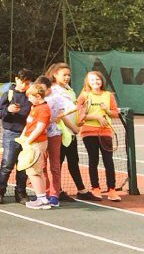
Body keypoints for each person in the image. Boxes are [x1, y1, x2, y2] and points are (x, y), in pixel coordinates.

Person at [44, 63, 99, 201]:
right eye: (64, 75)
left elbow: (73, 111)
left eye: (69, 75)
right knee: (58, 162)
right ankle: (57, 191)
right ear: (55, 75)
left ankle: (81, 190)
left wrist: (78, 122)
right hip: (60, 132)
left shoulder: (70, 90)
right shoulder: (53, 91)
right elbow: (59, 114)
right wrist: (73, 127)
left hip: (71, 133)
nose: (67, 77)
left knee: (73, 161)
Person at [76, 71, 121, 202]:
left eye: (97, 79)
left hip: (105, 132)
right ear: (87, 82)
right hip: (89, 132)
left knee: (108, 160)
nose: (95, 82)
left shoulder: (108, 95)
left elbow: (115, 113)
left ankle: (112, 190)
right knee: (93, 159)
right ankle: (95, 188)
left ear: (102, 81)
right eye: (92, 80)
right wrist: (96, 117)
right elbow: (79, 114)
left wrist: (106, 110)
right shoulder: (84, 95)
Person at [36, 77, 80, 206]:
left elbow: (66, 112)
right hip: (41, 135)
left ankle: (55, 195)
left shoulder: (57, 98)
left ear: (49, 88)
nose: (40, 92)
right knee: (41, 165)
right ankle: (45, 193)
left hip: (54, 134)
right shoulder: (37, 99)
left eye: (43, 89)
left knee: (55, 166)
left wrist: (57, 117)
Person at [0, 69, 33, 204]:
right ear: (16, 79)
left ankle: (20, 192)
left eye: (27, 83)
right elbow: (0, 113)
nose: (24, 86)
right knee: (7, 164)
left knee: (23, 165)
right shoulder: (8, 95)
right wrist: (8, 110)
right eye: (22, 82)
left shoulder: (31, 96)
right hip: (11, 134)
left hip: (27, 134)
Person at [19, 84, 52, 209]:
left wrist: (29, 141)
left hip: (37, 143)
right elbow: (29, 125)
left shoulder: (43, 109)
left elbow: (39, 128)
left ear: (38, 96)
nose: (28, 100)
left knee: (33, 172)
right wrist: (23, 137)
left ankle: (41, 199)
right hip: (31, 142)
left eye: (30, 97)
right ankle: (42, 198)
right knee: (37, 171)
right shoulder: (35, 107)